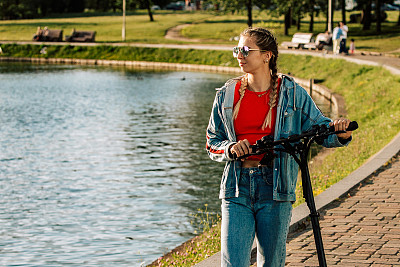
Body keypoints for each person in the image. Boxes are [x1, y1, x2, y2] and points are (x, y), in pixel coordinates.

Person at [206, 27, 353, 267]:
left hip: (275, 187)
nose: (238, 55)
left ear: (267, 55)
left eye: (245, 50)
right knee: (233, 263)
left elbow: (319, 128)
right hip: (236, 186)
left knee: (272, 263)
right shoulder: (227, 94)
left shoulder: (292, 93)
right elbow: (212, 141)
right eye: (237, 50)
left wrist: (340, 132)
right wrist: (230, 148)